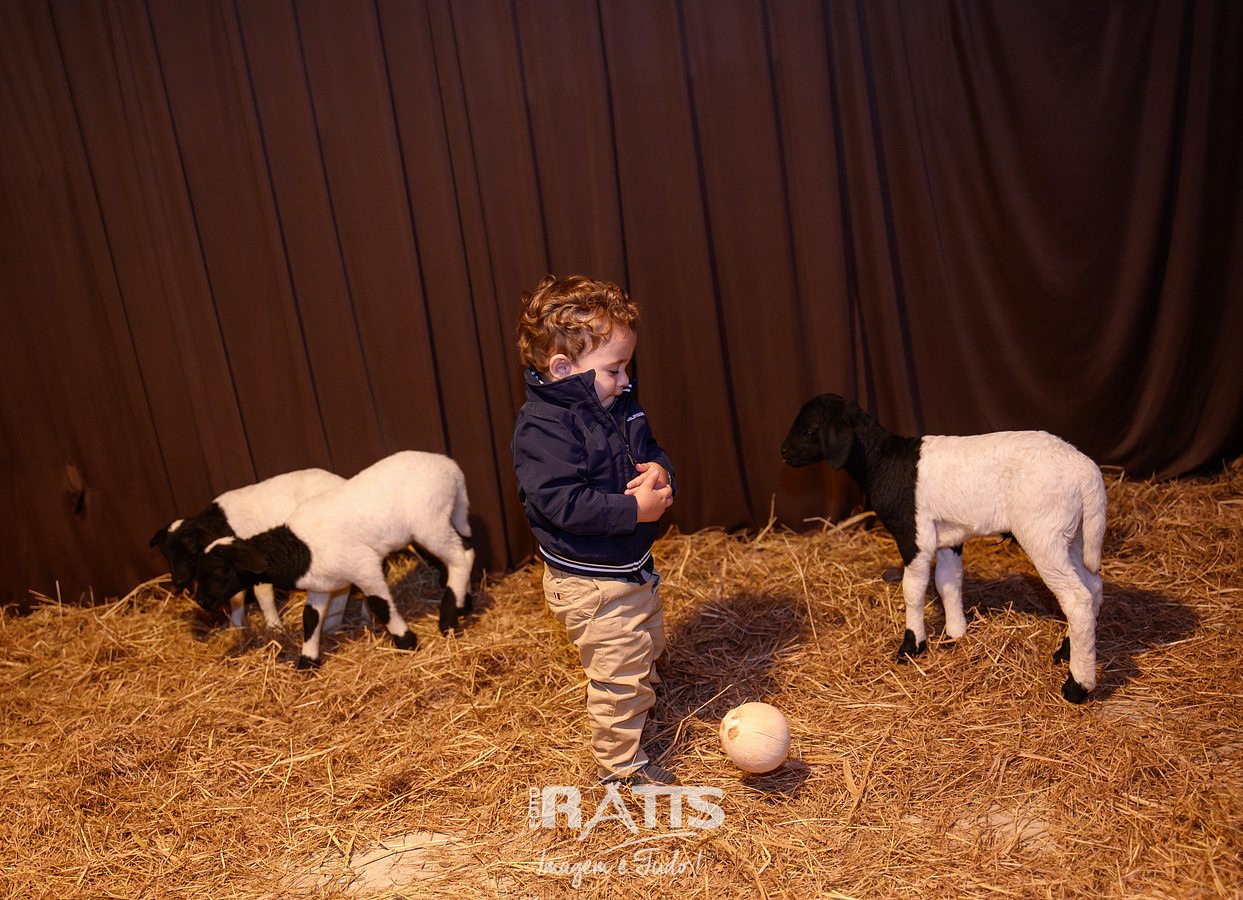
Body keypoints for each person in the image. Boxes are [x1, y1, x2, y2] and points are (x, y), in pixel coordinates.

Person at [511, 274, 677, 786]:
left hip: (630, 565)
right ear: (564, 368)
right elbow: (562, 504)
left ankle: (642, 705)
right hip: (590, 583)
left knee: (648, 645)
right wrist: (634, 512)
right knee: (619, 674)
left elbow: (649, 449)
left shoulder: (618, 402)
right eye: (614, 369)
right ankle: (621, 767)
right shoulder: (542, 429)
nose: (626, 379)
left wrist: (659, 471)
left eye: (626, 367)